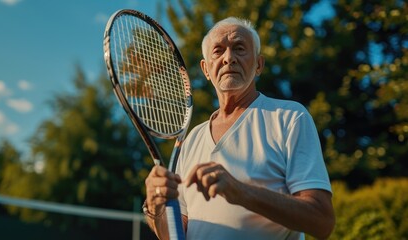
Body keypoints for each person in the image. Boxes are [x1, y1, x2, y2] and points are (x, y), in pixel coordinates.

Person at [143, 17, 335, 240]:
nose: (228, 58)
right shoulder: (192, 139)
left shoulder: (289, 118)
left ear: (258, 65)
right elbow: (176, 234)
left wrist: (241, 192)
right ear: (206, 69)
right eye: (218, 51)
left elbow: (322, 221)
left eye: (239, 48)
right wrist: (154, 208)